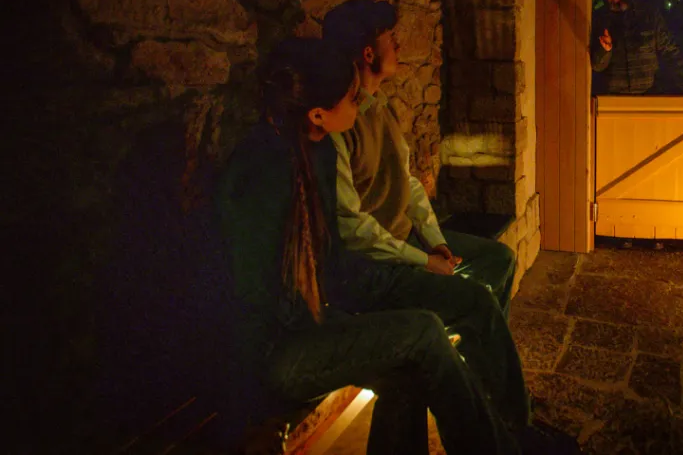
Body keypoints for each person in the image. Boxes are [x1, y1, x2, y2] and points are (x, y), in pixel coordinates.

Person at [218, 38, 576, 454]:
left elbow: (330, 259)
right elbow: (247, 302)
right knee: (421, 332)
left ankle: (504, 429)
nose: (361, 103)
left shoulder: (311, 152)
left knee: (411, 362)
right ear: (318, 114)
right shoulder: (259, 174)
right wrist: (249, 410)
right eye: (352, 99)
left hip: (313, 322)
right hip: (275, 353)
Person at [321, 0, 518, 317]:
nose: (398, 44)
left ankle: (467, 347)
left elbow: (406, 180)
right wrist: (424, 260)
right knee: (476, 302)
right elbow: (351, 226)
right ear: (368, 53)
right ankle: (468, 351)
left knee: (500, 259)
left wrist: (435, 241)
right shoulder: (337, 124)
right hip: (377, 262)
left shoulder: (381, 106)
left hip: (407, 238)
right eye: (389, 38)